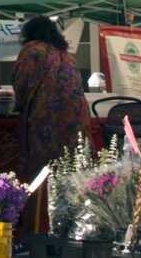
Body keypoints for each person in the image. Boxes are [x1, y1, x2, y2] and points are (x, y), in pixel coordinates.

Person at [12, 16, 86, 180]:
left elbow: (22, 83)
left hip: (48, 117)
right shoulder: (66, 54)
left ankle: (43, 203)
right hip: (76, 117)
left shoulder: (32, 50)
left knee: (46, 171)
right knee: (72, 167)